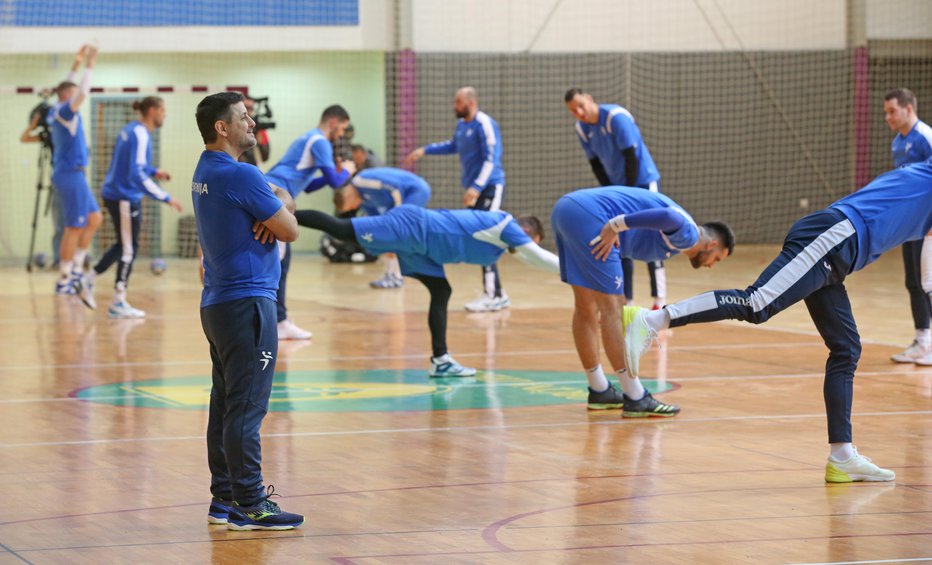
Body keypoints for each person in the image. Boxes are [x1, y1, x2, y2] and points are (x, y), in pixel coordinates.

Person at [624, 161, 932, 482]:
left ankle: (842, 456)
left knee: (846, 349)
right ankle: (652, 319)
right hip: (834, 235)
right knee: (757, 303)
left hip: (841, 254)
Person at [193, 91, 303, 530]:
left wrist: (274, 199)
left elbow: (279, 203)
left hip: (219, 304)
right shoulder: (241, 176)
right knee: (247, 407)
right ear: (222, 128)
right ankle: (250, 502)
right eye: (243, 117)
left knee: (225, 405)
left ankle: (224, 499)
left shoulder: (207, 170)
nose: (252, 124)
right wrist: (276, 203)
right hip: (248, 306)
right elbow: (291, 228)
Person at [294, 205, 559, 377]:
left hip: (423, 250)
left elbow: (529, 258)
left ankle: (441, 360)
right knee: (343, 230)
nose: (521, 247)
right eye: (528, 241)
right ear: (526, 231)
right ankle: (278, 212)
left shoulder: (500, 241)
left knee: (441, 290)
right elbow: (538, 257)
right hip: (414, 227)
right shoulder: (506, 226)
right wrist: (575, 272)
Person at [552, 185, 733, 415]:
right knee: (614, 310)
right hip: (592, 216)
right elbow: (668, 217)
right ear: (712, 244)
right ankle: (635, 396)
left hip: (566, 209)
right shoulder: (689, 234)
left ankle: (600, 389)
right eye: (716, 259)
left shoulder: (679, 240)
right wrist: (614, 225)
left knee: (586, 307)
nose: (711, 265)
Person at [405, 86, 509, 313]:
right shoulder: (463, 125)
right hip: (477, 189)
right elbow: (453, 145)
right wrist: (424, 150)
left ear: (470, 102)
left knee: (487, 238)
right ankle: (495, 292)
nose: (454, 106)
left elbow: (492, 159)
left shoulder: (485, 124)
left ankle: (494, 294)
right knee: (480, 237)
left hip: (490, 188)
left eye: (458, 102)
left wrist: (476, 187)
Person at [565, 88, 667, 310]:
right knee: (621, 241)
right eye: (573, 110)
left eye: (581, 105)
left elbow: (631, 156)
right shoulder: (582, 129)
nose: (579, 112)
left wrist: (627, 194)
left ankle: (660, 300)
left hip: (641, 182)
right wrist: (610, 193)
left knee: (652, 237)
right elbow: (596, 165)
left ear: (590, 98)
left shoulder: (615, 117)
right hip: (619, 187)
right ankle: (626, 300)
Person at [84, 96, 183, 317]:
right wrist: (166, 198)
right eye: (163, 110)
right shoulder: (140, 134)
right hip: (124, 196)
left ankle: (87, 280)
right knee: (129, 248)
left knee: (122, 245)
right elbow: (136, 173)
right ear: (152, 111)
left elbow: (135, 166)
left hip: (116, 194)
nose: (164, 115)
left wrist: (154, 172)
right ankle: (118, 301)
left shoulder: (131, 129)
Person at [264, 105, 355, 339]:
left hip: (273, 193)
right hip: (276, 198)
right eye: (343, 128)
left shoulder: (308, 138)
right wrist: (346, 170)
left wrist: (333, 174)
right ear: (334, 122)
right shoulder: (319, 141)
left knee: (279, 260)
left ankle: (275, 318)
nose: (342, 135)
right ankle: (278, 321)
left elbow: (310, 184)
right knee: (280, 263)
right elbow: (336, 182)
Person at [48, 44, 102, 308]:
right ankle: (65, 279)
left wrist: (76, 62)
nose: (74, 99)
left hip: (74, 173)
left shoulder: (54, 109)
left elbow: (67, 86)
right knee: (73, 227)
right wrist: (90, 64)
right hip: (69, 174)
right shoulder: (65, 111)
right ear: (64, 97)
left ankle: (77, 269)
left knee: (94, 218)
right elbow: (80, 92)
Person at [883, 88, 932, 364]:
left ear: (908, 109)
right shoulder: (897, 143)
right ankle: (922, 341)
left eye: (892, 111)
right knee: (913, 282)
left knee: (929, 283)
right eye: (886, 112)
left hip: (929, 225)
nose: (888, 117)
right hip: (911, 225)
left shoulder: (926, 137)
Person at [338, 167, 432, 288]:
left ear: (348, 196)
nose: (354, 208)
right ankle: (391, 274)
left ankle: (397, 277)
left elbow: (395, 187)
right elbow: (375, 218)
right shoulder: (363, 199)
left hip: (415, 190)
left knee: (398, 235)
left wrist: (398, 217)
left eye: (351, 206)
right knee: (386, 238)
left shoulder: (361, 181)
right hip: (398, 201)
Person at [20, 90, 65, 268]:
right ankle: (59, 260)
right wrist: (32, 126)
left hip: (65, 180)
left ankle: (67, 260)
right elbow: (24, 138)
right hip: (57, 180)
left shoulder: (61, 133)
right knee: (60, 224)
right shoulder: (47, 136)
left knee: (66, 223)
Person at [238, 97, 270, 167]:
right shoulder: (234, 127)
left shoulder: (259, 128)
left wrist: (260, 144)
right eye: (246, 107)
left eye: (251, 108)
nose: (248, 111)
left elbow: (265, 157)